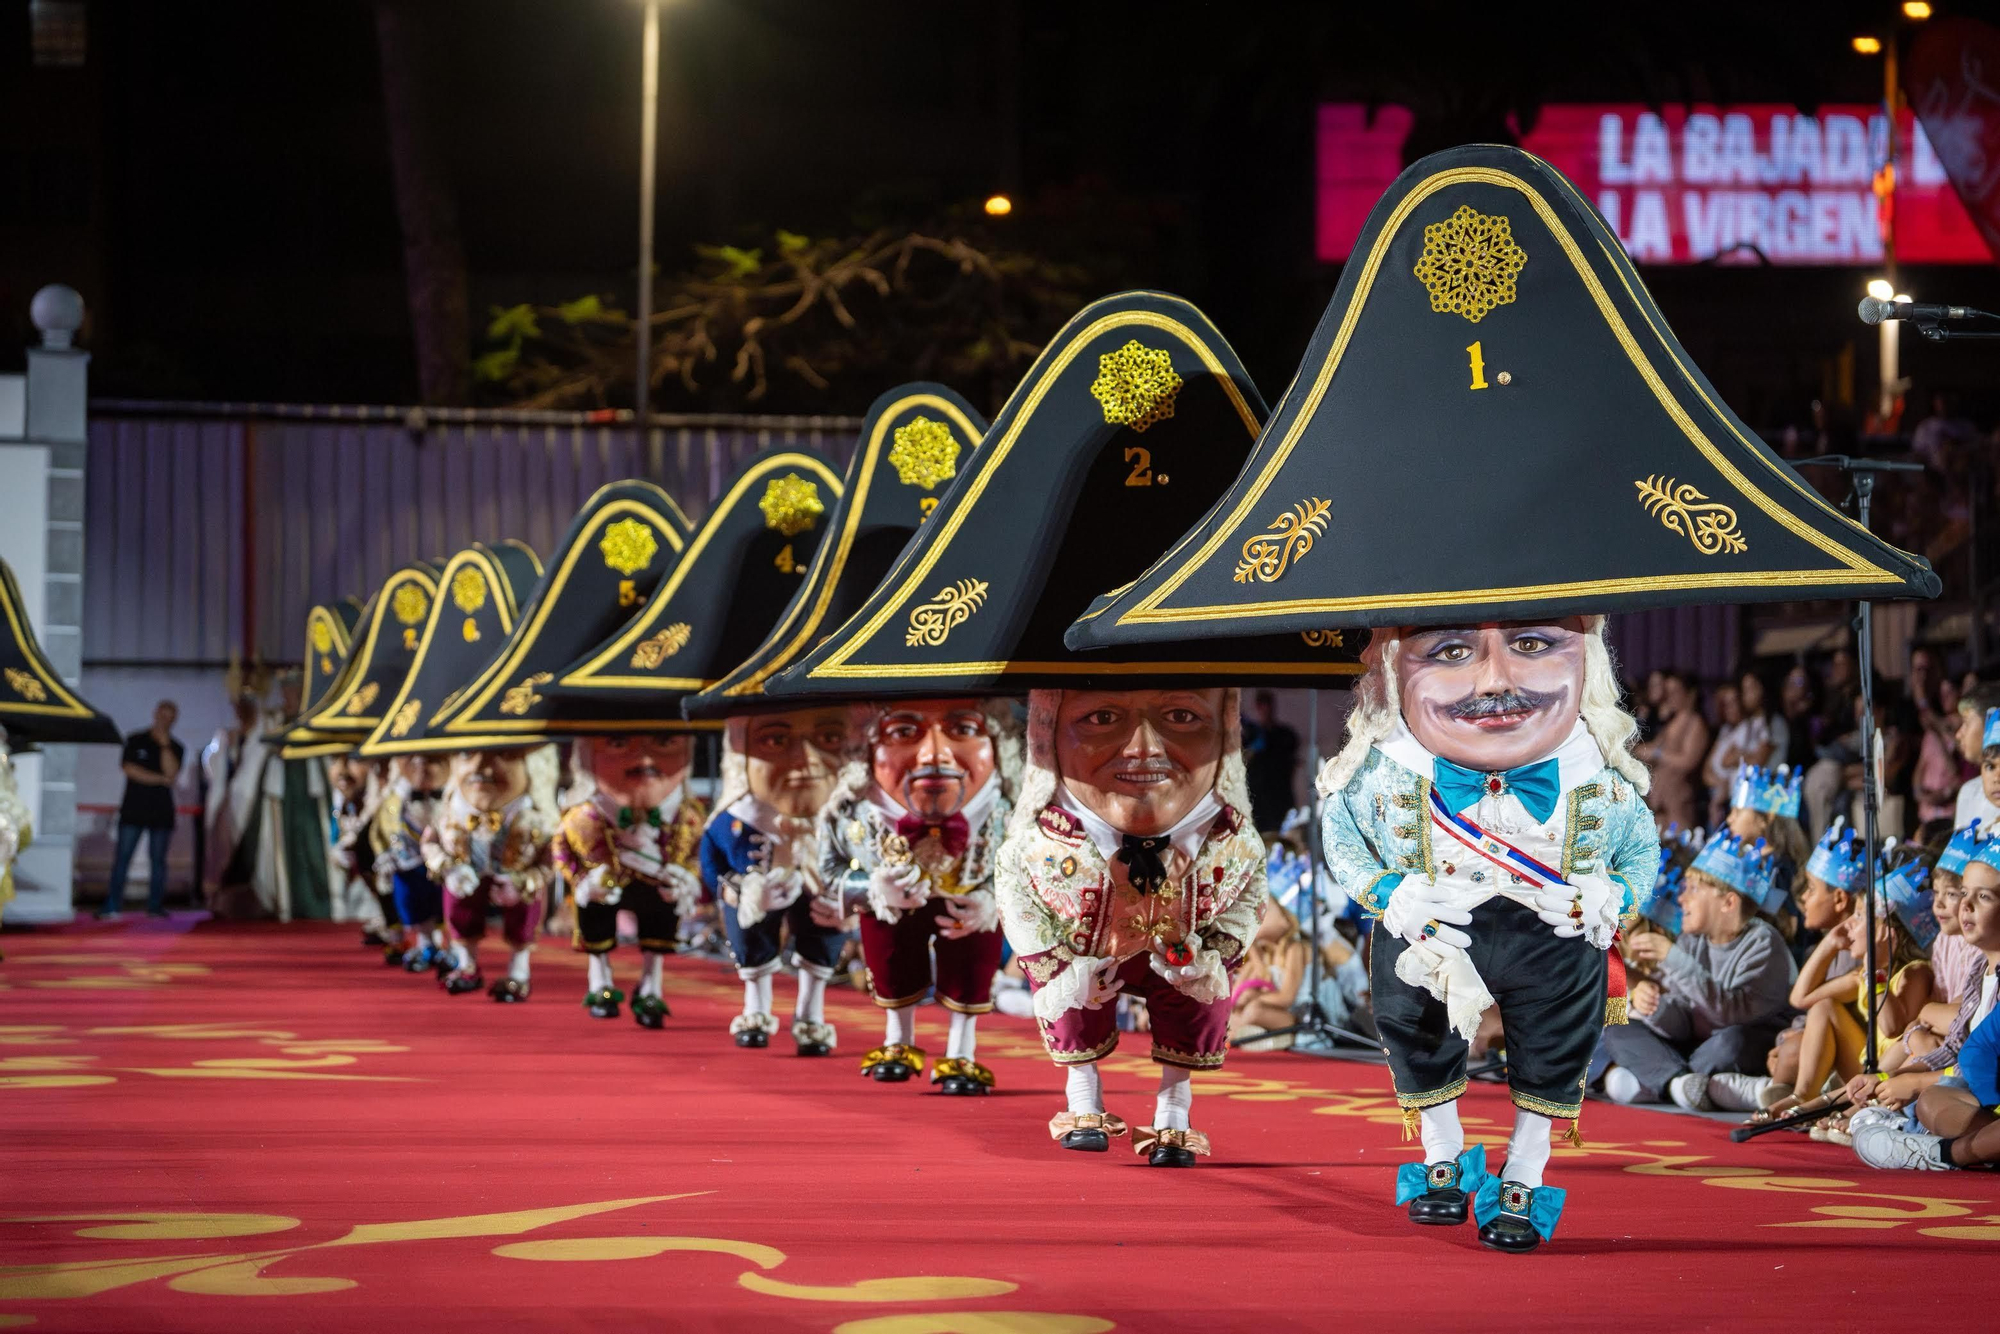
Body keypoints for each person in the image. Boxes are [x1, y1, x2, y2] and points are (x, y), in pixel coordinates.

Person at [1320, 619, 1659, 1251]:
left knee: (1555, 1053)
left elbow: (1641, 852)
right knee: (1417, 1035)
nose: (1497, 680)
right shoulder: (1383, 770)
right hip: (1433, 930)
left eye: (1532, 645)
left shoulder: (1601, 773)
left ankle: (1524, 1174)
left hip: (1553, 934)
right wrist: (1392, 895)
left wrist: (1611, 896)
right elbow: (1341, 838)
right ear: (1398, 668)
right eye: (1451, 652)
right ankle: (1443, 1155)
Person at [1001, 687, 1265, 1165]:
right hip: (1087, 948)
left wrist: (1216, 954)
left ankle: (1174, 1107)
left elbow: (1248, 896)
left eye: (1181, 716)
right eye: (1103, 717)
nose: (1143, 749)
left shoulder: (1231, 837)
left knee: (1200, 993)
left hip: (1179, 947)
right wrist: (1061, 969)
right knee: (1073, 995)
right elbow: (1017, 900)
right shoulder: (1037, 843)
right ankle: (1082, 1092)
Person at [816, 699, 1015, 1092]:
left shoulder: (1009, 813)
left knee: (972, 961)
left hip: (967, 906)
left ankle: (962, 1051)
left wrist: (995, 902)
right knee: (889, 953)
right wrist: (872, 890)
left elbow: (1027, 874)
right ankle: (898, 1040)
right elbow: (828, 871)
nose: (935, 755)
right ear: (868, 747)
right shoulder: (850, 812)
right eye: (905, 733)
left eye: (963, 730)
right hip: (894, 906)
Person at [1600, 832, 1796, 1110]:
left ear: (1728, 904)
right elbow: (1683, 1025)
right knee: (1620, 1029)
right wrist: (1655, 1008)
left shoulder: (1763, 942)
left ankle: (1665, 1080)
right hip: (1697, 1046)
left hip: (1736, 1042)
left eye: (1693, 889)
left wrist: (1674, 958)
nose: (1682, 900)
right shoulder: (1693, 941)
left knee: (1731, 1041)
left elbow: (1728, 1014)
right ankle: (1683, 1084)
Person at [700, 709, 851, 1052]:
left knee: (823, 938)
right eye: (777, 741)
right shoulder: (736, 818)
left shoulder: (841, 817)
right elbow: (711, 859)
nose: (806, 759)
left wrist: (854, 897)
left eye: (827, 739)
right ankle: (756, 1010)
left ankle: (811, 1015)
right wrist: (733, 890)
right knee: (751, 940)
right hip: (756, 889)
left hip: (819, 886)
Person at [1850, 833, 2000, 1170]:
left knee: (1932, 1094)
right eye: (1964, 895)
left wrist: (1915, 1082)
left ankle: (1943, 1153)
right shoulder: (1979, 968)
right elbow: (1955, 1048)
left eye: (1984, 896)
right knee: (1933, 1099)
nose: (1966, 906)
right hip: (1984, 1099)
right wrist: (1889, 1079)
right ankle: (1968, 1147)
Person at [558, 735, 706, 1029]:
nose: (644, 761)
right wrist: (582, 880)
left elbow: (697, 852)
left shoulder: (686, 815)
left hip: (658, 881)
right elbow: (562, 851)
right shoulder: (584, 816)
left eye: (661, 745)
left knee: (661, 924)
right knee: (595, 921)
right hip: (606, 884)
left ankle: (651, 986)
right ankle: (600, 980)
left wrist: (687, 878)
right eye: (619, 743)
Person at [425, 746, 560, 1001]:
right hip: (466, 872)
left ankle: (519, 973)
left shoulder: (537, 818)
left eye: (504, 755)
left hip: (515, 875)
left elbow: (552, 858)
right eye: (467, 754)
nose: (480, 768)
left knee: (524, 914)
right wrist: (448, 868)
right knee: (459, 908)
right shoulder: (450, 811)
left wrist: (525, 880)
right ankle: (466, 966)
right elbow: (429, 843)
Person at [101, 700, 184, 918]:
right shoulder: (135, 739)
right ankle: (112, 905)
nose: (165, 720)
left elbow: (172, 774)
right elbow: (129, 769)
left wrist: (164, 745)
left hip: (161, 812)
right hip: (133, 810)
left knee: (158, 861)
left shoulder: (176, 747)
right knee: (122, 858)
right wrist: (159, 779)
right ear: (155, 714)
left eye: (170, 717)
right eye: (163, 715)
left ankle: (155, 907)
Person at [1638, 671, 1708, 831]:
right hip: (1659, 799)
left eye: (1674, 692)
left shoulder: (1695, 723)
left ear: (1690, 694)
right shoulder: (1671, 723)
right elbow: (1653, 748)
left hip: (1678, 801)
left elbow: (1688, 761)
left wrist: (1657, 754)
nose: (1669, 697)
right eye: (1667, 692)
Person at [1243, 690, 1300, 834]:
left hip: (1279, 799)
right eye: (1261, 705)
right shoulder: (1250, 736)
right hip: (1256, 801)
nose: (1265, 710)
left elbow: (1291, 761)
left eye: (1267, 705)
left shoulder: (1284, 736)